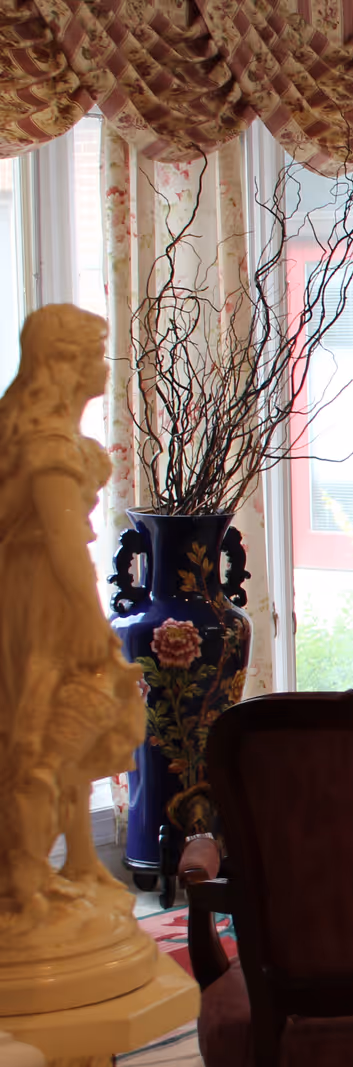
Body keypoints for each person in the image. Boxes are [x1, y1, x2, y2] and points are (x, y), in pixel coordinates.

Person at [0, 304, 144, 919]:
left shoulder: (55, 437)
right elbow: (62, 543)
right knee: (43, 732)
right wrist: (89, 619)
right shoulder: (48, 444)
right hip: (43, 600)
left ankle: (81, 860)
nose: (101, 366)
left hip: (50, 592)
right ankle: (26, 880)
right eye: (92, 353)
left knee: (79, 722)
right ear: (62, 364)